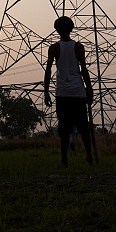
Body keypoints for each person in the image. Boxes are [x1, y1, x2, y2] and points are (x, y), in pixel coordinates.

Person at [43, 16, 96, 167]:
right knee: (83, 126)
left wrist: (46, 91)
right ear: (71, 29)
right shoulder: (78, 47)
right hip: (78, 91)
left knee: (64, 128)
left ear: (57, 30)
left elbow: (48, 71)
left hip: (62, 93)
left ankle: (64, 160)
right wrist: (89, 89)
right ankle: (89, 157)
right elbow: (84, 70)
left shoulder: (54, 48)